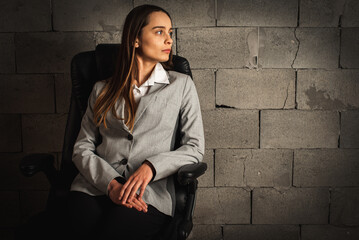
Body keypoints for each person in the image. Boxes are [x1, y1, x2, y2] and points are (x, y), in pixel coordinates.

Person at [66, 4, 205, 240]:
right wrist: (110, 184)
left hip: (148, 193)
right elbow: (82, 147)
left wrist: (150, 167)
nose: (169, 40)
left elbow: (194, 149)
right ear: (136, 39)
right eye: (160, 32)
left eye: (170, 33)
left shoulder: (181, 85)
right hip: (95, 187)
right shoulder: (102, 89)